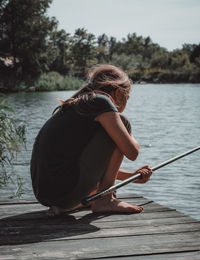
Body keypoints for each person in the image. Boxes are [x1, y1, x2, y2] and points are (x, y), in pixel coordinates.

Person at [31, 64, 152, 216]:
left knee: (117, 126)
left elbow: (89, 162)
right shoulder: (100, 102)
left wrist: (131, 177)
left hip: (46, 194)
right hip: (62, 190)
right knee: (124, 122)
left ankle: (75, 203)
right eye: (127, 97)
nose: (126, 102)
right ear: (119, 92)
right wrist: (125, 130)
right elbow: (132, 152)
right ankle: (105, 200)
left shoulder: (82, 104)